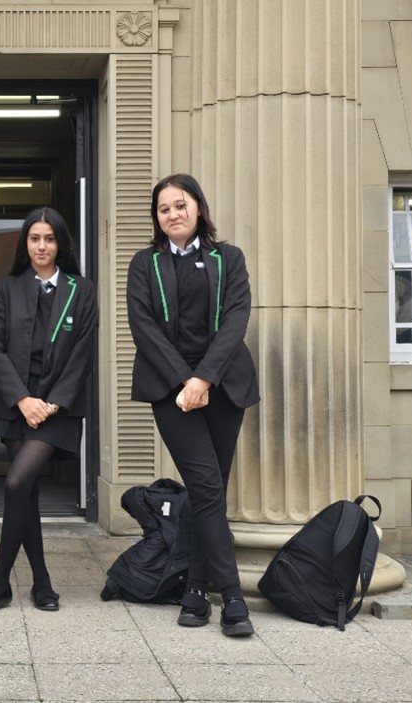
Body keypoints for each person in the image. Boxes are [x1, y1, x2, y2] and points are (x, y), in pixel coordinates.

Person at [126, 173, 259, 637]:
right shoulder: (145, 264)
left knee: (210, 494)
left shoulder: (229, 258)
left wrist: (204, 378)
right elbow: (144, 327)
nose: (173, 215)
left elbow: (236, 319)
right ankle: (235, 599)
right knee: (205, 487)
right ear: (156, 219)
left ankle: (197, 590)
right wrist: (187, 381)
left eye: (180, 205)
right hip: (170, 390)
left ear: (198, 207)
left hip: (225, 388)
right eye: (164, 209)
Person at [0, 207, 97, 615]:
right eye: (34, 239)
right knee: (28, 495)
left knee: (17, 484)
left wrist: (50, 403)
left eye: (49, 239)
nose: (41, 246)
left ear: (61, 244)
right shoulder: (7, 289)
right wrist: (23, 400)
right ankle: (42, 583)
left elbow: (83, 355)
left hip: (58, 408)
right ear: (25, 244)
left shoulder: (82, 290)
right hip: (15, 405)